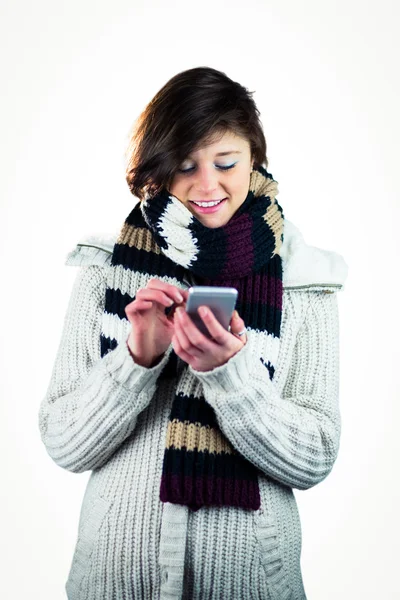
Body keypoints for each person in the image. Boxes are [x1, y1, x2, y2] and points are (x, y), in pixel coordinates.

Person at [38, 66, 348, 600]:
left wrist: (230, 376)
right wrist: (136, 359)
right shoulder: (105, 268)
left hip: (251, 585)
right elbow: (65, 444)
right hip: (112, 584)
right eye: (185, 166)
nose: (207, 186)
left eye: (225, 162)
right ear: (158, 170)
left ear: (255, 157)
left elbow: (314, 456)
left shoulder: (304, 279)